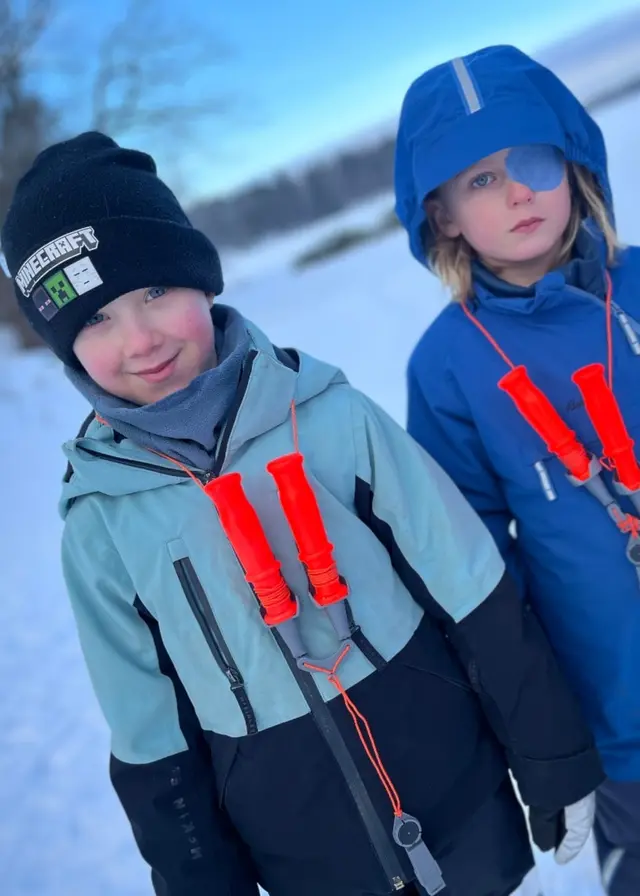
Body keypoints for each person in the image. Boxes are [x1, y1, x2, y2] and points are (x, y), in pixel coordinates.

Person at [2, 131, 604, 896]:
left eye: (155, 292)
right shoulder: (99, 527)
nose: (141, 339)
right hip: (309, 864)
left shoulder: (330, 417)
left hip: (465, 810)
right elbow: (149, 735)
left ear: (201, 280)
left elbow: (471, 586)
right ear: (65, 347)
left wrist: (551, 754)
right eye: (96, 320)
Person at [394, 44, 640, 896]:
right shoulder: (447, 367)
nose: (519, 190)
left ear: (572, 166)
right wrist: (537, 722)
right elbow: (471, 563)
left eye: (533, 161)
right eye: (481, 180)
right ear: (445, 215)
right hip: (618, 705)